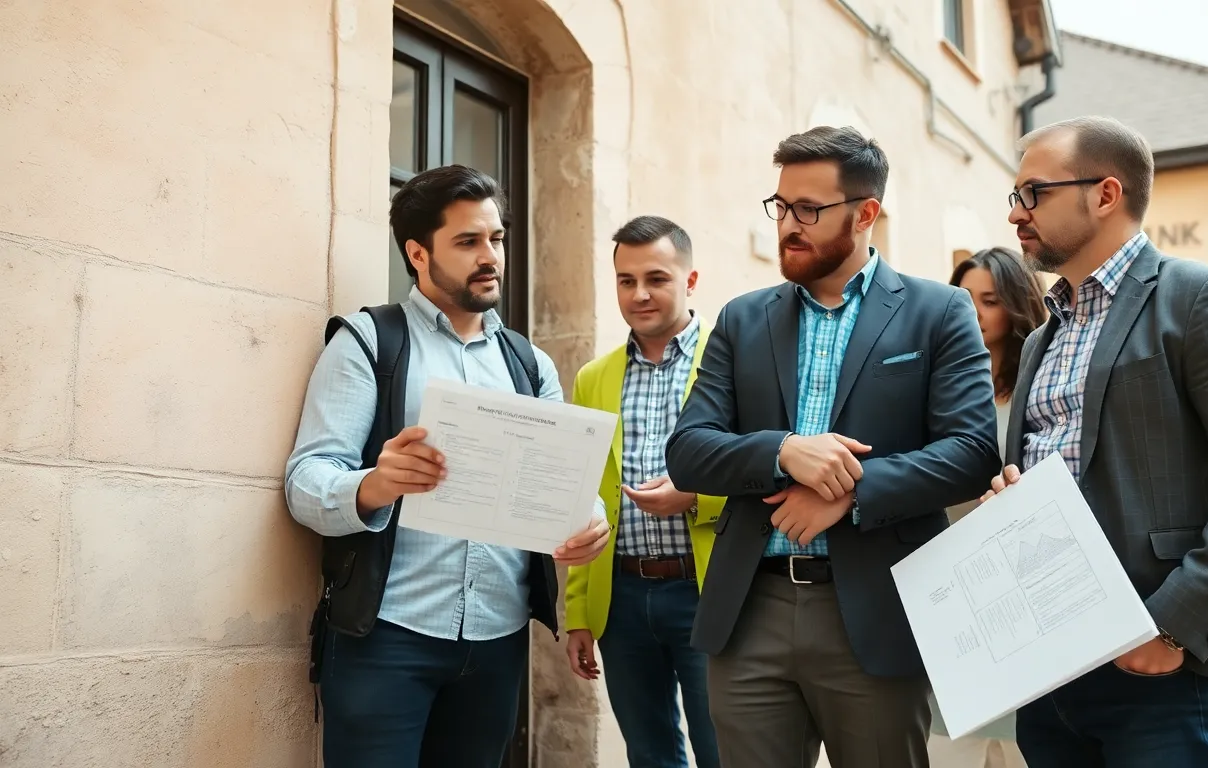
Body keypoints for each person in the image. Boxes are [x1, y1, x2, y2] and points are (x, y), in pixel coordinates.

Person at [981, 115, 1208, 767]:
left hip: (1164, 672)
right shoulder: (1043, 339)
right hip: (1050, 674)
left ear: (1105, 194)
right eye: (1014, 197)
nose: (1016, 214)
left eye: (1033, 194)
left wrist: (1172, 626)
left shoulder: (1199, 299)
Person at [664, 125, 1001, 768]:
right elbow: (689, 450)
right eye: (781, 206)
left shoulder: (940, 311)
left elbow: (971, 451)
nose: (788, 225)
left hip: (875, 611)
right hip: (748, 611)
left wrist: (849, 495)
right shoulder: (741, 317)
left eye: (809, 210)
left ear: (866, 213)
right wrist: (784, 450)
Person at [284, 164, 611, 768]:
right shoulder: (367, 342)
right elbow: (305, 482)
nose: (491, 256)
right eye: (468, 242)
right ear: (417, 252)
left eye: (497, 239)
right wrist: (373, 486)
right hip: (386, 638)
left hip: (498, 641)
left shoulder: (529, 363)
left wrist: (589, 520)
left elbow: (568, 482)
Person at [564, 215, 724, 768]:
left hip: (708, 590)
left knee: (723, 750)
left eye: (656, 278)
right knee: (649, 755)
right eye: (625, 280)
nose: (639, 294)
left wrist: (697, 498)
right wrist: (579, 612)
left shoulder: (732, 361)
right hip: (623, 597)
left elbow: (765, 471)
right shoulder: (593, 377)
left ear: (691, 280)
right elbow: (588, 498)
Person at [926, 247, 1047, 768]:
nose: (974, 310)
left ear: (1017, 307)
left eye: (991, 300)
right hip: (947, 595)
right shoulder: (933, 391)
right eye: (964, 298)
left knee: (1026, 745)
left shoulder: (1040, 391)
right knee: (947, 744)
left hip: (1027, 593)